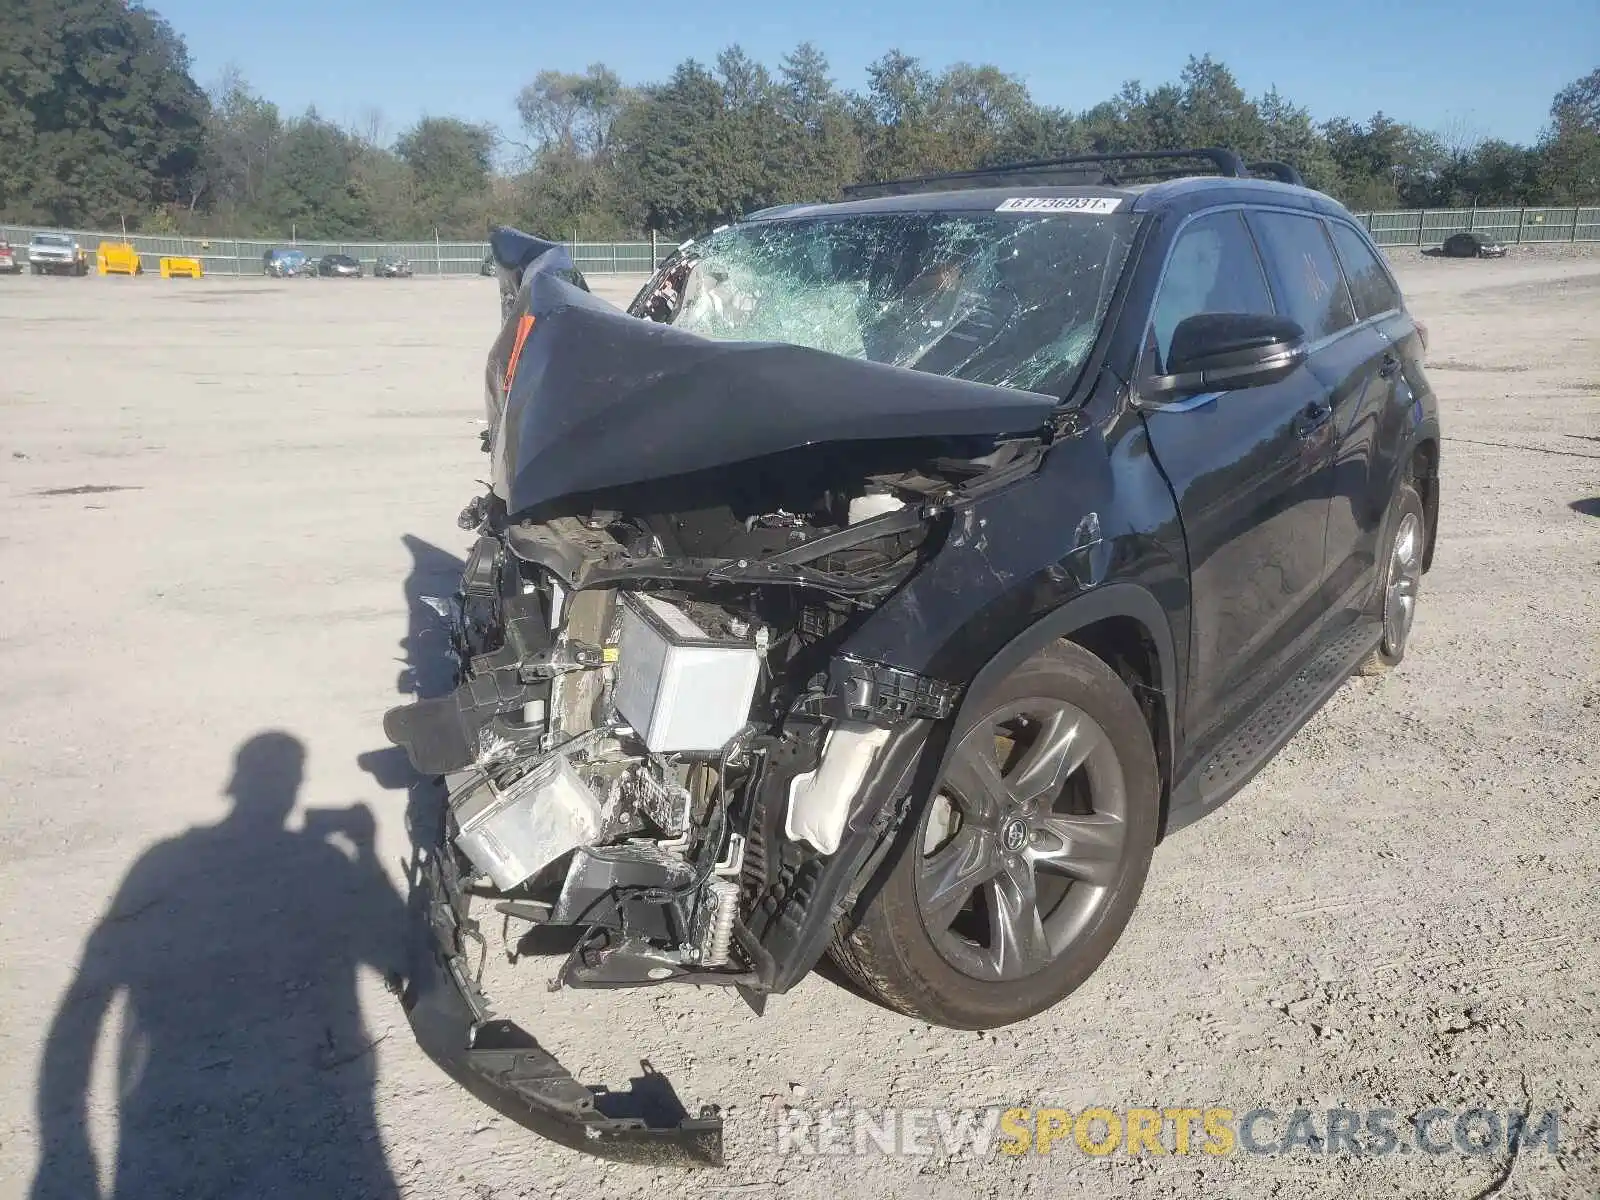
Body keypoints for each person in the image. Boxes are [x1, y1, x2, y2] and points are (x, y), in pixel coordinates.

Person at [31, 733, 407, 1199]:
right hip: (301, 1117)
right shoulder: (326, 862)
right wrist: (367, 853)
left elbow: (84, 1004)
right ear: (292, 789)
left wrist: (62, 1147)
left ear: (234, 784)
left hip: (169, 1115)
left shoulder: (162, 862)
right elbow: (400, 954)